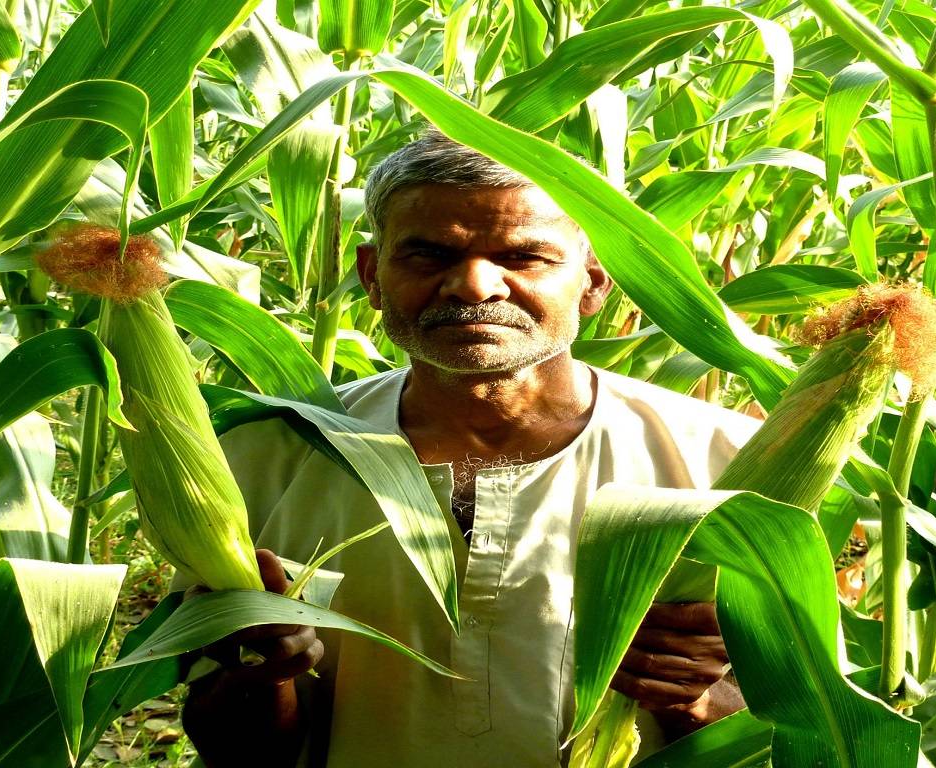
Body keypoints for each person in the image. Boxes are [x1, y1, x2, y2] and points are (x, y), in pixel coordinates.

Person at [181, 131, 756, 767]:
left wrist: (700, 699)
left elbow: (799, 729)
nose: (475, 286)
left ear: (593, 284)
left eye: (526, 257)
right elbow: (230, 745)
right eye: (429, 255)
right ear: (373, 276)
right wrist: (263, 673)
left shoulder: (725, 463)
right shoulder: (263, 457)